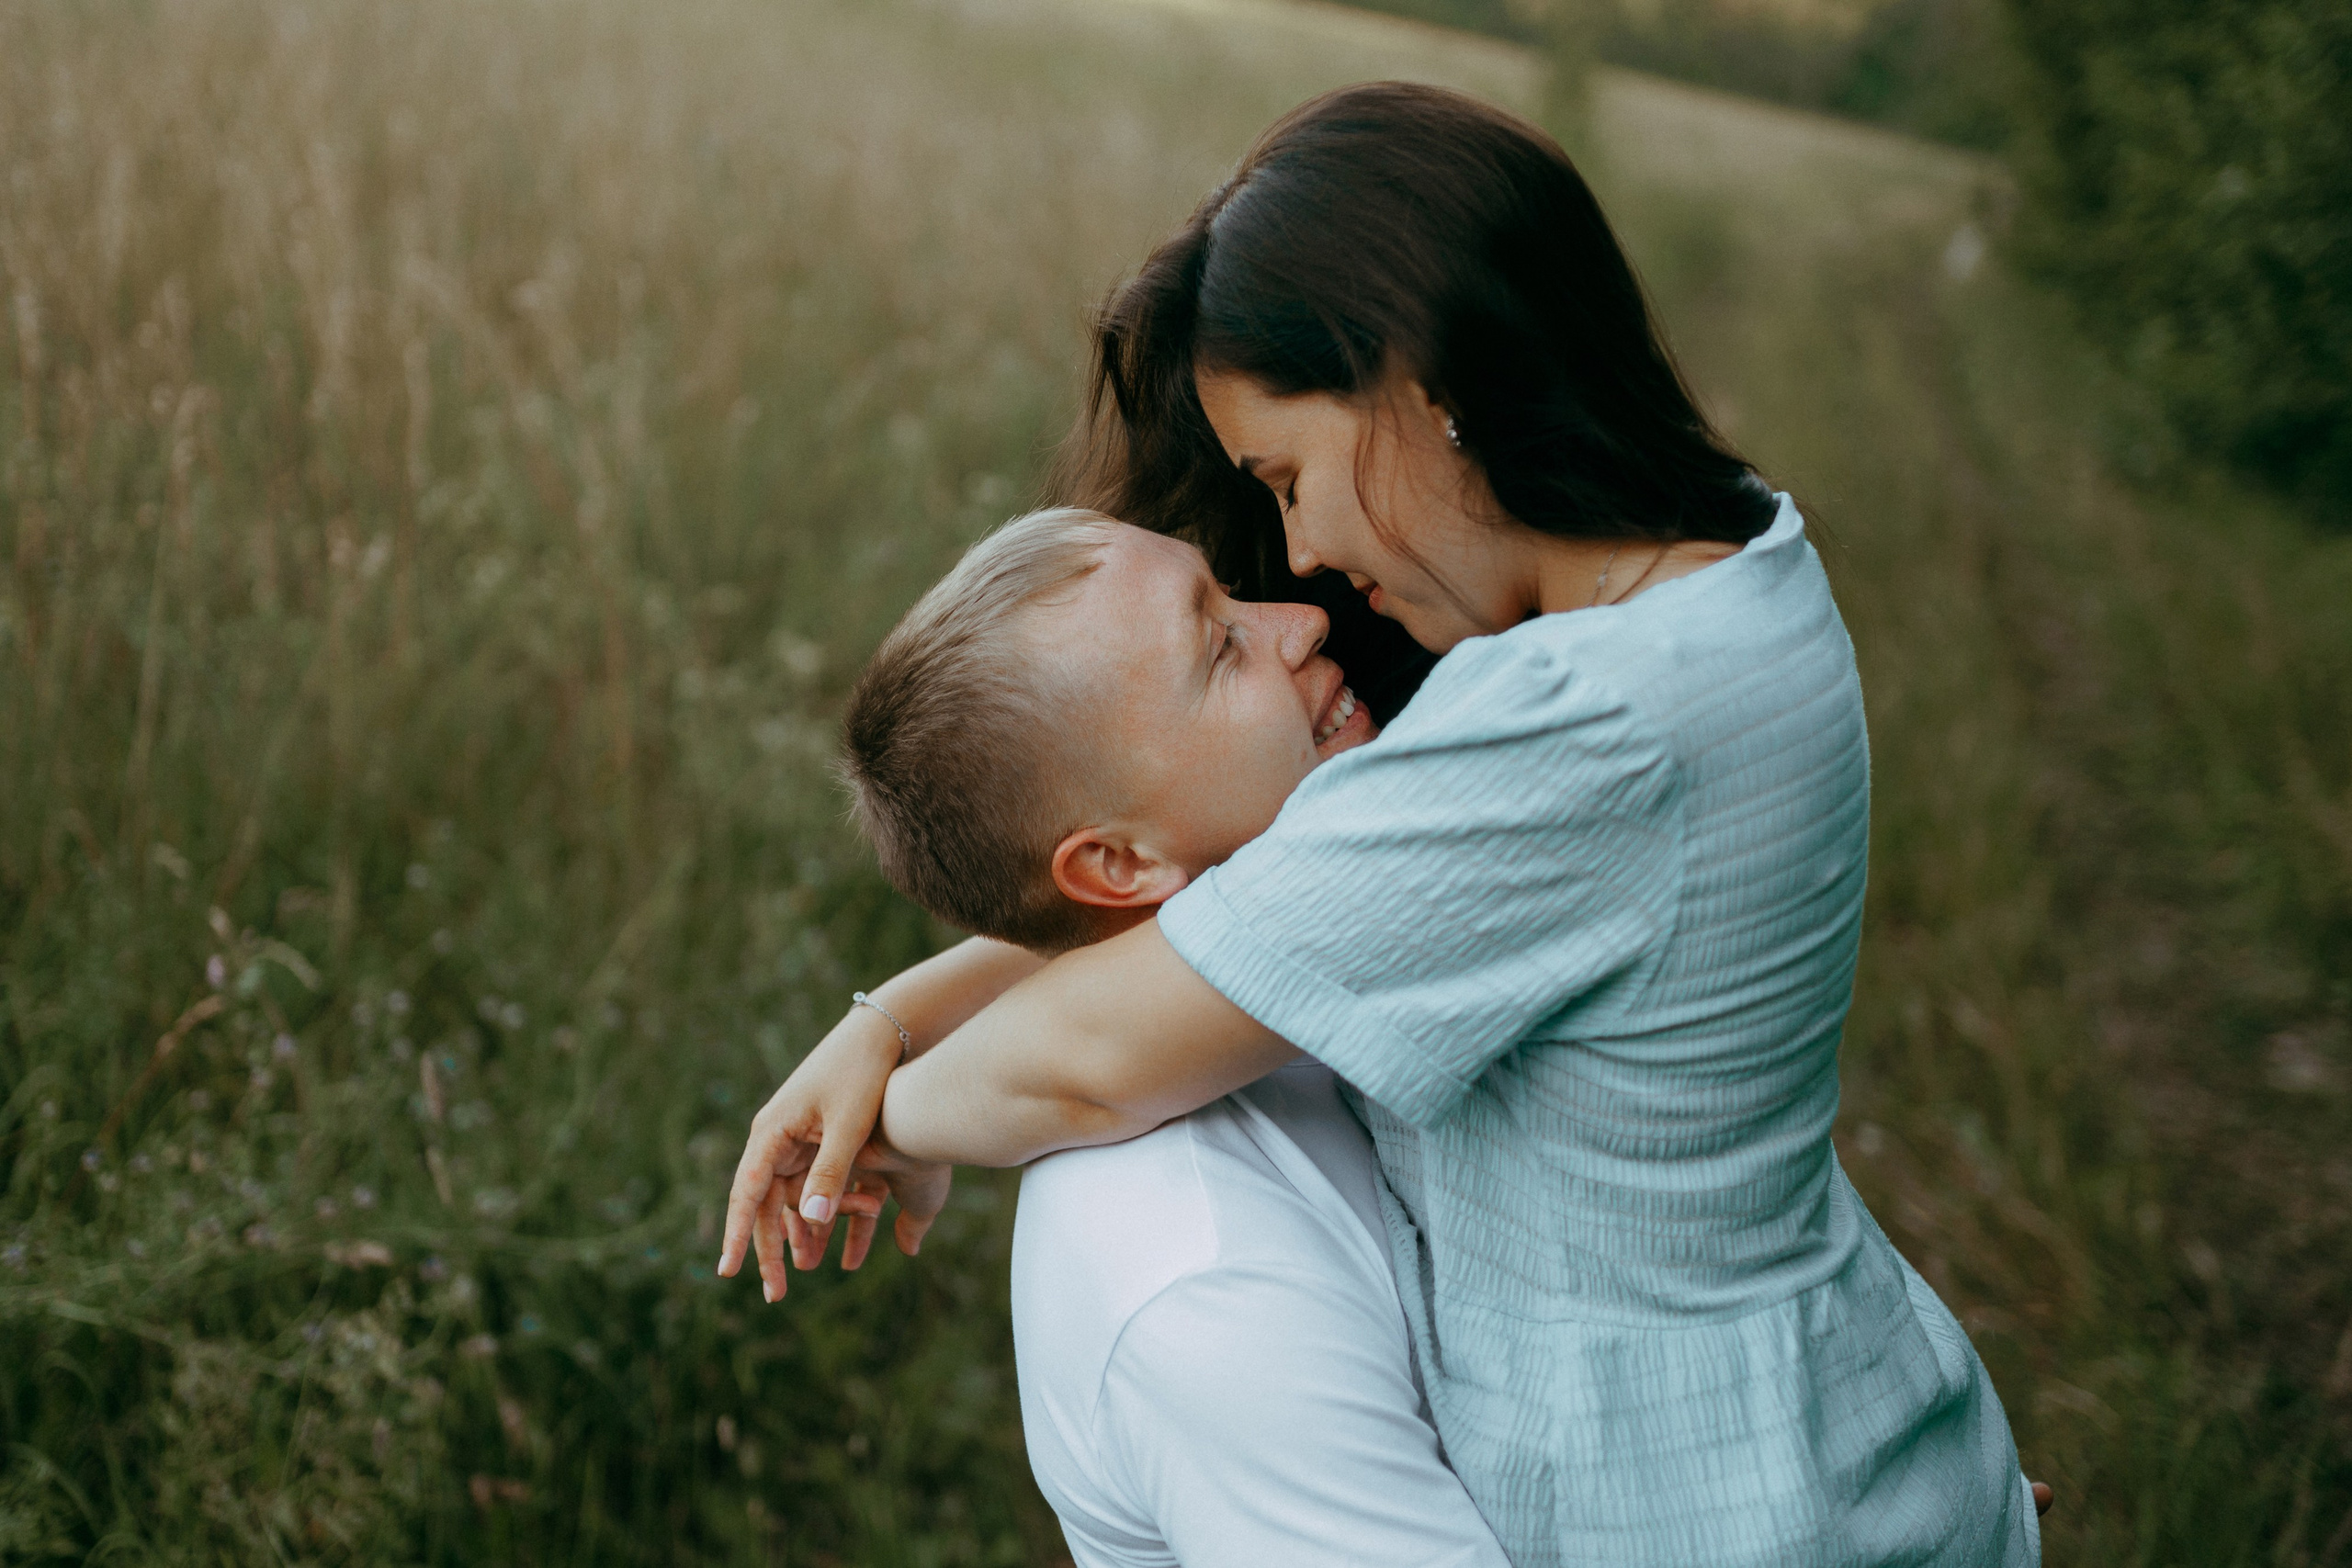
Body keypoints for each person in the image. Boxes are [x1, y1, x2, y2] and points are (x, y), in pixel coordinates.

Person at [724, 82, 2046, 1566]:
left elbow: (1090, 1065)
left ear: (1424, 390)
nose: (1305, 558)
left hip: (1723, 1502)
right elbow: (1291, 902)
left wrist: (889, 1118)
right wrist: (890, 1016)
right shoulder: (1725, 574)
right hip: (1836, 1420)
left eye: (1289, 480)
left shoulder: (1577, 725)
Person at [786, 507, 1511, 1567]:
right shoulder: (1202, 1279)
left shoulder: (1267, 1001)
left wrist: (894, 1028)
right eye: (1220, 647)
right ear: (1120, 868)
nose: (1302, 619)